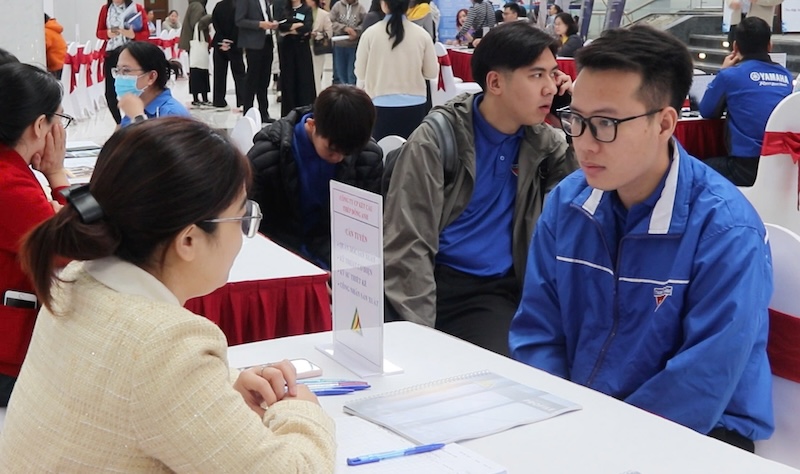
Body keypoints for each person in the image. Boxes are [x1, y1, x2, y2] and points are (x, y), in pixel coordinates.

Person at [0, 117, 336, 471]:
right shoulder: (167, 345)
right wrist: (299, 409)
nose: (242, 236)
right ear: (188, 240)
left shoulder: (77, 278)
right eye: (241, 218)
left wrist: (224, 387)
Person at [509, 24, 774, 452]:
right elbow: (538, 331)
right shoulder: (567, 204)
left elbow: (702, 380)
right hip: (581, 423)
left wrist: (602, 443)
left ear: (665, 123)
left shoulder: (725, 230)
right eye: (575, 119)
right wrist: (557, 422)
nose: (585, 145)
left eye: (606, 124)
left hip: (700, 437)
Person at [384, 22, 576, 356]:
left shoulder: (543, 144)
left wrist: (574, 119)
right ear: (495, 82)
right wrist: (420, 338)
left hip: (492, 293)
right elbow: (408, 245)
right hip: (429, 280)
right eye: (536, 75)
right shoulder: (439, 139)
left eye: (553, 75)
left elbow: (580, 198)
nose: (549, 87)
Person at [248, 85, 382, 269]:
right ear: (312, 125)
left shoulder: (367, 156)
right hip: (281, 261)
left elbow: (366, 230)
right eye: (332, 151)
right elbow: (253, 229)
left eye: (348, 152)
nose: (339, 159)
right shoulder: (268, 157)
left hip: (338, 261)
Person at [0, 63, 70, 408]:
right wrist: (58, 175)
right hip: (9, 359)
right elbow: (78, 246)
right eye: (59, 120)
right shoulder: (9, 185)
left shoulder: (10, 170)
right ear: (40, 124)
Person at [699, 16, 792, 187]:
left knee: (691, 171)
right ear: (769, 45)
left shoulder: (730, 75)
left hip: (745, 168)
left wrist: (722, 72)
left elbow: (707, 111)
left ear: (735, 46)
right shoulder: (786, 76)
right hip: (783, 167)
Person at [355, 0, 438, 140]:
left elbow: (360, 72)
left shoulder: (370, 34)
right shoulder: (422, 35)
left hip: (379, 105)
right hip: (415, 106)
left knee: (381, 153)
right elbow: (431, 72)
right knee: (411, 153)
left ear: (384, 4)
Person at [97, 0, 151, 126]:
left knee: (136, 88)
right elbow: (99, 32)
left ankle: (139, 118)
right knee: (110, 92)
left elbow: (146, 33)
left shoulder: (136, 8)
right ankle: (120, 123)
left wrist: (133, 35)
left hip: (132, 52)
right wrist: (107, 33)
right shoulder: (106, 9)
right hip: (111, 53)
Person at [114, 41, 191, 126]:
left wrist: (138, 118)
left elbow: (147, 139)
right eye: (117, 71)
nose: (119, 77)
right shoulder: (136, 109)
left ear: (151, 77)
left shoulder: (172, 116)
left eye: (126, 71)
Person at [236, 0, 280, 122]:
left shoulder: (265, 1)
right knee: (252, 78)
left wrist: (272, 23)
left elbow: (266, 16)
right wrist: (259, 24)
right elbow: (239, 20)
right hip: (253, 44)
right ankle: (248, 111)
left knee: (264, 78)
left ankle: (263, 112)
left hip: (267, 40)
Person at [277, 0, 317, 116]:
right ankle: (288, 113)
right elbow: (281, 26)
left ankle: (306, 111)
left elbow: (307, 27)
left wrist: (291, 28)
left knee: (304, 79)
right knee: (288, 79)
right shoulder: (285, 9)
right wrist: (296, 25)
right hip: (287, 49)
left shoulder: (306, 9)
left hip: (302, 49)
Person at [212, 0, 247, 109]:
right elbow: (238, 25)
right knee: (239, 73)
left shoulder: (218, 6)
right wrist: (230, 40)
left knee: (219, 73)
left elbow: (215, 23)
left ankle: (218, 100)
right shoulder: (238, 6)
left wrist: (222, 39)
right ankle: (241, 100)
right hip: (234, 43)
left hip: (219, 42)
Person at [180, 1, 212, 106]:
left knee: (195, 70)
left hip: (191, 44)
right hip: (196, 44)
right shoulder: (198, 6)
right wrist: (210, 17)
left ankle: (197, 97)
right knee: (200, 70)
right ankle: (202, 98)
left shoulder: (193, 4)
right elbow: (197, 24)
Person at [330, 0, 366, 85]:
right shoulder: (337, 6)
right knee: (340, 73)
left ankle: (351, 93)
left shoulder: (360, 8)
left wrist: (356, 32)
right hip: (339, 45)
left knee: (352, 74)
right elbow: (331, 21)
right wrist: (344, 28)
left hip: (353, 46)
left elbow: (364, 24)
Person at [308, 0, 333, 94]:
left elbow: (329, 33)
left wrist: (317, 34)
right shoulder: (301, 13)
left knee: (316, 75)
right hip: (302, 47)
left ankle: (316, 97)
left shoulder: (323, 14)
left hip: (317, 48)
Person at [44, 14, 67, 79]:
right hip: (63, 66)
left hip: (55, 69)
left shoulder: (46, 32)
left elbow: (42, 49)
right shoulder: (54, 29)